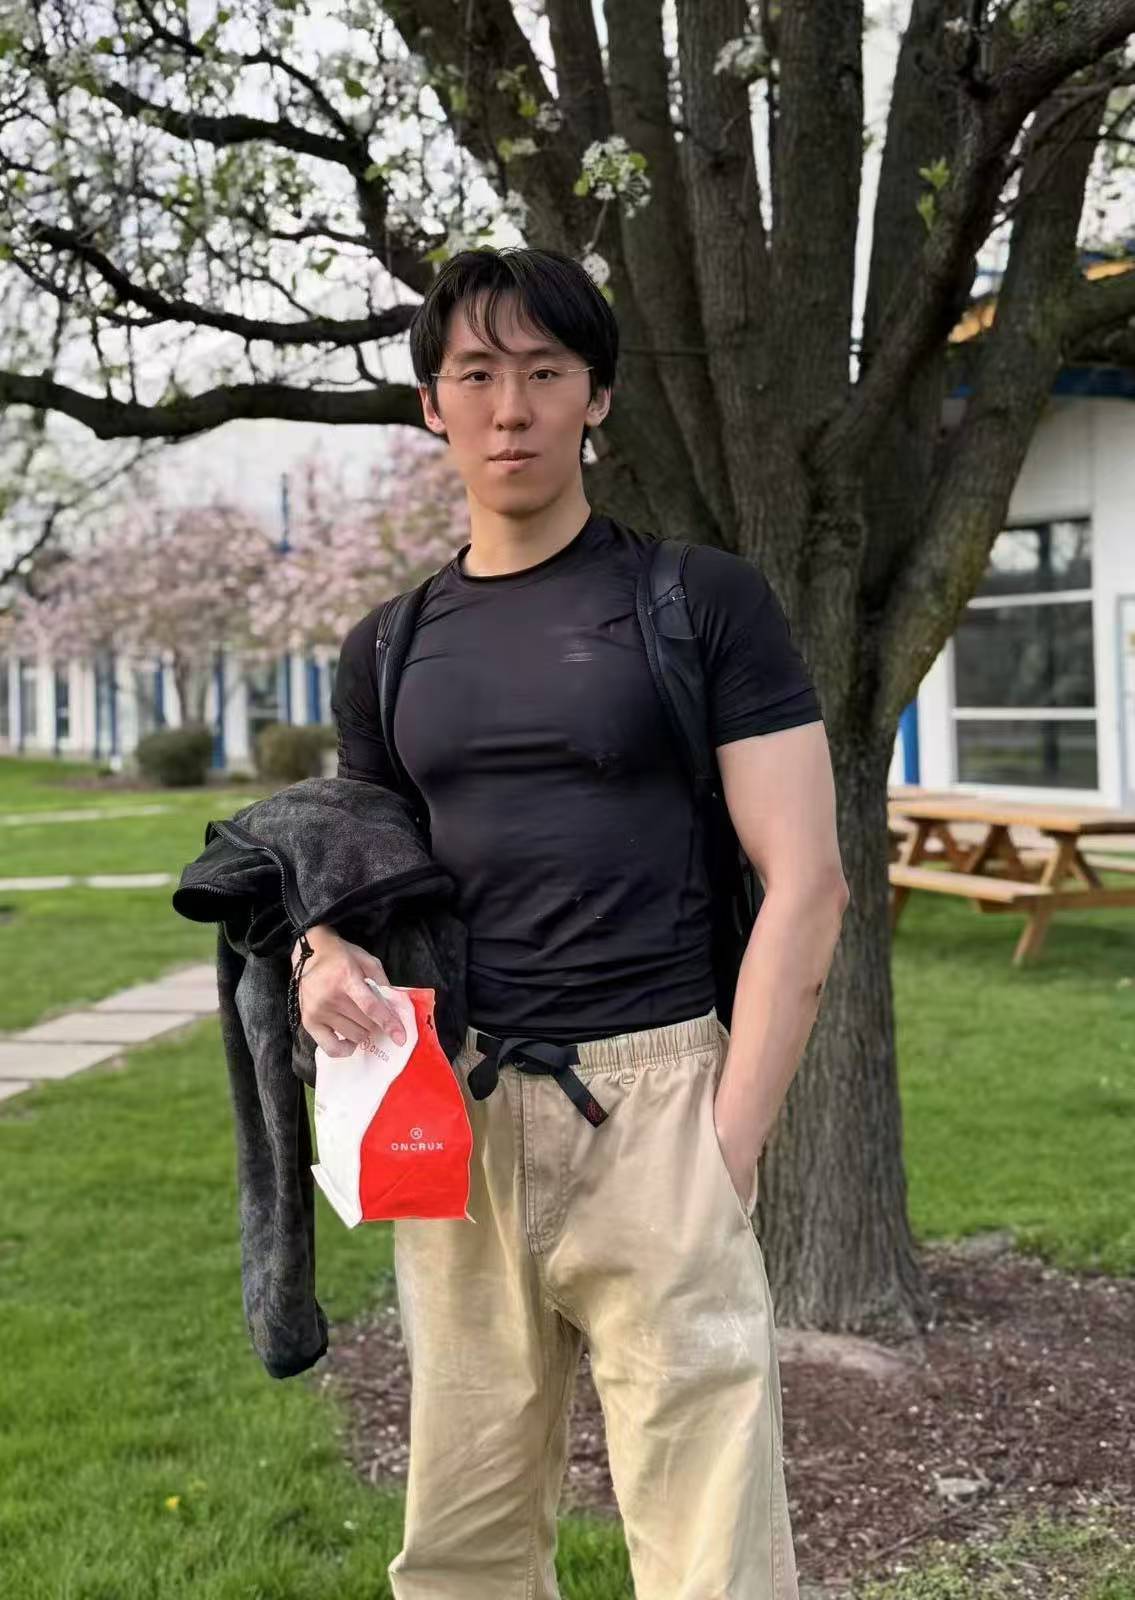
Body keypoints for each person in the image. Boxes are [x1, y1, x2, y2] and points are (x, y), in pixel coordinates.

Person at [293, 246, 848, 1600]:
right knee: (463, 1545)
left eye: (546, 372)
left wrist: (728, 1143)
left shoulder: (699, 601)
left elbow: (808, 881)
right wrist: (323, 950)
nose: (511, 408)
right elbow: (361, 867)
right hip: (459, 1110)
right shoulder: (387, 646)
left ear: (597, 396)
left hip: (659, 1102)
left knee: (712, 1552)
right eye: (477, 374)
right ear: (432, 402)